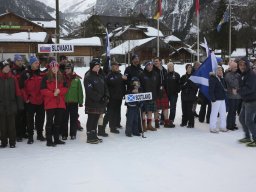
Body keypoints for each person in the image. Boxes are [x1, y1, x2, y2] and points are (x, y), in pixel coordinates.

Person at [41, 60, 68, 147]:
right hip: (50, 103)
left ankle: (56, 139)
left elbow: (66, 88)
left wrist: (60, 91)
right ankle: (49, 140)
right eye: (53, 67)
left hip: (60, 103)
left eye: (56, 67)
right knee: (49, 122)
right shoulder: (45, 77)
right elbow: (43, 90)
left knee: (58, 122)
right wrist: (52, 93)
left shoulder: (61, 77)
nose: (54, 69)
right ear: (50, 68)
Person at [20, 56, 46, 144]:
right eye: (35, 63)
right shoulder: (25, 73)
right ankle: (30, 136)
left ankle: (40, 135)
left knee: (41, 119)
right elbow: (22, 88)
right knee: (30, 120)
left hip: (40, 101)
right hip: (30, 101)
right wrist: (26, 98)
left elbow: (44, 86)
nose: (37, 64)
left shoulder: (41, 73)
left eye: (38, 63)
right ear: (31, 63)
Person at [84, 58, 109, 144]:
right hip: (92, 102)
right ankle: (89, 137)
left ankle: (94, 135)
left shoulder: (100, 76)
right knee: (91, 119)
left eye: (99, 66)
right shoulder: (88, 76)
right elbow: (90, 91)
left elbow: (105, 87)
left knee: (96, 119)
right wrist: (99, 98)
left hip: (100, 103)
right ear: (92, 67)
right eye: (96, 66)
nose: (98, 68)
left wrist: (106, 96)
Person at [0, 60, 23, 148]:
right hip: (1, 105)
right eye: (5, 67)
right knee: (2, 126)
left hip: (11, 105)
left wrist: (19, 104)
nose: (7, 68)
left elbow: (17, 92)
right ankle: (4, 142)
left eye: (8, 67)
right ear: (2, 68)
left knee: (12, 125)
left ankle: (12, 142)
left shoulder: (13, 78)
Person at [237, 57, 256, 147]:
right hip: (246, 100)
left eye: (244, 64)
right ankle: (247, 137)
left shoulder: (251, 74)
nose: (242, 66)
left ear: (247, 65)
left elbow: (250, 89)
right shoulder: (243, 74)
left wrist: (238, 91)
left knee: (248, 121)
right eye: (240, 65)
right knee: (241, 119)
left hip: (252, 101)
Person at [62, 63, 84, 140]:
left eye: (68, 69)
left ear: (72, 69)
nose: (67, 70)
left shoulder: (77, 79)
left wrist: (80, 101)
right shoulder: (62, 78)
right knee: (64, 119)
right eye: (66, 69)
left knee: (73, 119)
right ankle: (64, 134)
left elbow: (80, 91)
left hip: (74, 102)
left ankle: (73, 134)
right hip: (64, 102)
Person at [105, 61, 126, 135]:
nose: (117, 67)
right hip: (111, 97)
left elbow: (123, 84)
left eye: (118, 65)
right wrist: (121, 78)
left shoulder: (120, 74)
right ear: (112, 66)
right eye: (116, 65)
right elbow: (112, 82)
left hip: (119, 96)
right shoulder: (109, 75)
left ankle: (117, 124)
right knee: (111, 112)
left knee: (117, 111)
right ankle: (111, 127)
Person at [11, 54, 27, 142]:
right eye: (18, 60)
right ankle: (18, 134)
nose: (20, 62)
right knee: (18, 116)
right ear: (15, 61)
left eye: (21, 60)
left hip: (25, 95)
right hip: (17, 96)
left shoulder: (24, 70)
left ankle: (24, 132)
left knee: (25, 115)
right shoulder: (12, 71)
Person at [140, 61, 159, 131]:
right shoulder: (142, 74)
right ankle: (143, 125)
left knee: (150, 110)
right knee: (143, 111)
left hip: (153, 95)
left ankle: (149, 125)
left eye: (151, 65)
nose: (150, 66)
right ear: (146, 66)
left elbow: (157, 85)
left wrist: (156, 94)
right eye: (148, 65)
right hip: (144, 95)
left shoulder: (155, 74)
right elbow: (140, 85)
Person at [208, 65, 227, 133]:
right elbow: (211, 90)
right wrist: (213, 98)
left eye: (221, 70)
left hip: (222, 98)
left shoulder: (222, 78)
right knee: (214, 113)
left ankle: (223, 126)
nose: (220, 71)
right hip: (216, 99)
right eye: (218, 70)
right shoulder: (213, 78)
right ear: (215, 71)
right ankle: (212, 127)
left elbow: (224, 88)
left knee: (223, 113)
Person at [153, 57, 171, 128]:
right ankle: (156, 123)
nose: (155, 62)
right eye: (155, 61)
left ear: (160, 62)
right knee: (156, 108)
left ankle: (166, 122)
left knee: (166, 107)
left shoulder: (164, 70)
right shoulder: (153, 70)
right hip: (156, 90)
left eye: (157, 61)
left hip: (164, 89)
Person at [224, 60, 241, 131]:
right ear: (231, 67)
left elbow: (241, 83)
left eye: (236, 67)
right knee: (231, 111)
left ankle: (233, 124)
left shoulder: (238, 75)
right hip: (231, 96)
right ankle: (229, 125)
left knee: (234, 111)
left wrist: (238, 85)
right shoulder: (228, 75)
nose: (236, 68)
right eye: (234, 67)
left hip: (238, 96)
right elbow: (232, 84)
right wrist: (237, 84)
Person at [180, 64, 198, 128]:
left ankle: (191, 123)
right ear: (186, 68)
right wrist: (185, 84)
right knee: (184, 110)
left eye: (190, 67)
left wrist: (190, 83)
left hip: (191, 96)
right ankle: (184, 122)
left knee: (190, 110)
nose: (189, 68)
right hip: (184, 95)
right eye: (188, 67)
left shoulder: (194, 77)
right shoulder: (183, 77)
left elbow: (196, 87)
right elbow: (180, 87)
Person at [166, 62, 180, 127]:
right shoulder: (165, 74)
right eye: (169, 66)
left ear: (173, 67)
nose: (171, 67)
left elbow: (179, 84)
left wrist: (177, 90)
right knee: (165, 107)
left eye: (172, 66)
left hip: (174, 94)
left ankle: (171, 120)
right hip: (166, 94)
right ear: (167, 67)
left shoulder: (177, 75)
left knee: (172, 108)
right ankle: (164, 119)